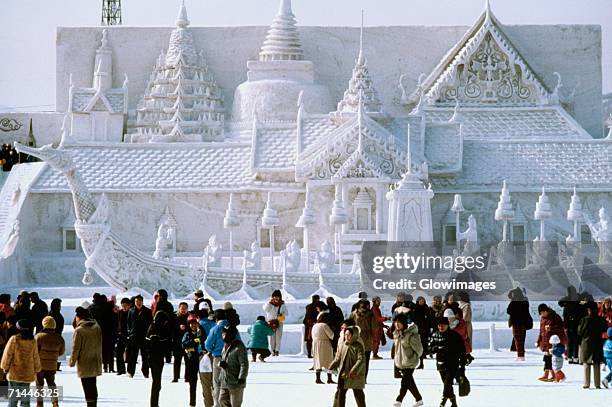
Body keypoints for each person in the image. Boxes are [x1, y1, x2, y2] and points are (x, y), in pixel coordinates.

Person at [1, 319, 41, 407]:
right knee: (25, 401)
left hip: (14, 373)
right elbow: (35, 356)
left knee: (13, 401)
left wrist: (5, 367)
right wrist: (37, 368)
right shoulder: (33, 341)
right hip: (27, 374)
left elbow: (7, 354)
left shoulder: (14, 339)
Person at [69, 307, 102, 407]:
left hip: (85, 362)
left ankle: (90, 404)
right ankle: (93, 404)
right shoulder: (97, 327)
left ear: (78, 317)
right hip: (95, 360)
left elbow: (76, 348)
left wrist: (72, 361)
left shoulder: (79, 330)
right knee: (93, 385)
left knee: (87, 386)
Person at [429, 317, 466, 407]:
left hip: (452, 363)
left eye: (443, 325)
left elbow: (462, 350)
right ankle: (454, 403)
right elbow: (429, 349)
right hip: (440, 363)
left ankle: (443, 401)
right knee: (447, 385)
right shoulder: (435, 335)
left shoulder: (454, 335)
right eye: (439, 325)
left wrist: (462, 365)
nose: (441, 327)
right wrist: (435, 349)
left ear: (447, 325)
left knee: (447, 383)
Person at [328, 326, 366, 407]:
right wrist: (332, 365)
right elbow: (338, 358)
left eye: (348, 335)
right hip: (344, 374)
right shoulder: (343, 345)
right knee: (341, 393)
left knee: (358, 394)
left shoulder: (358, 346)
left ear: (354, 335)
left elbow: (361, 360)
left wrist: (353, 371)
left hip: (355, 375)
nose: (346, 336)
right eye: (345, 334)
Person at [392, 312, 424, 407]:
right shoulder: (396, 334)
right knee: (410, 382)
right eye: (395, 322)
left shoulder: (411, 335)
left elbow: (419, 350)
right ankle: (419, 399)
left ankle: (399, 400)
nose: (397, 324)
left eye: (399, 322)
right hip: (401, 362)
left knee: (404, 382)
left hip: (410, 362)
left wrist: (413, 358)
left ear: (404, 323)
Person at [34, 316, 65, 407]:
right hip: (52, 365)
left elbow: (34, 351)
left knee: (39, 385)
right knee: (52, 384)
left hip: (40, 365)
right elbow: (61, 352)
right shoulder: (59, 338)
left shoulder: (39, 337)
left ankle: (39, 403)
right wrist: (53, 356)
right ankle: (55, 402)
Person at [577, 301, 607, 389]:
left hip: (586, 343)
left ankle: (587, 383)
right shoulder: (601, 319)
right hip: (597, 343)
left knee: (586, 363)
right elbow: (604, 329)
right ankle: (597, 384)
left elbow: (579, 332)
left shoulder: (584, 320)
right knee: (597, 363)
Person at [146, 310, 172, 407]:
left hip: (155, 358)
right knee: (156, 382)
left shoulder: (153, 327)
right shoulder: (156, 328)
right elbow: (157, 344)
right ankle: (154, 403)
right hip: (155, 358)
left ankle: (154, 403)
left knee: (156, 382)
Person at [219, 325, 249, 407]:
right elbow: (224, 359)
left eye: (226, 333)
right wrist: (221, 364)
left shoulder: (239, 347)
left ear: (231, 334)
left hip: (236, 382)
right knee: (222, 401)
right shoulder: (225, 345)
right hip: (225, 381)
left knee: (235, 404)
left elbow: (244, 364)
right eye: (223, 333)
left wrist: (241, 378)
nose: (223, 335)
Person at [535, 304, 566, 382]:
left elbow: (561, 327)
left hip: (553, 342)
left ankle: (554, 375)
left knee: (551, 359)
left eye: (543, 313)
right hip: (545, 341)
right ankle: (546, 374)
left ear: (546, 311)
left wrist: (551, 328)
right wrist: (538, 340)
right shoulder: (542, 318)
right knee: (546, 358)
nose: (542, 315)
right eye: (541, 313)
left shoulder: (555, 316)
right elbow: (541, 331)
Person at [182, 313, 208, 407]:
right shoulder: (187, 334)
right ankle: (192, 403)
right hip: (192, 360)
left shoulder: (201, 332)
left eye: (195, 323)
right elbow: (184, 345)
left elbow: (205, 342)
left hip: (202, 359)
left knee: (205, 382)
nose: (193, 325)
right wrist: (195, 340)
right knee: (193, 383)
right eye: (191, 324)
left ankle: (208, 402)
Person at [205, 309, 229, 407]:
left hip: (218, 357)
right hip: (231, 357)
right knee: (229, 380)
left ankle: (218, 403)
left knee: (217, 381)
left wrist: (211, 349)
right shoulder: (232, 328)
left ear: (216, 318)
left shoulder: (215, 328)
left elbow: (208, 344)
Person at [350, 300, 378, 380]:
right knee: (365, 360)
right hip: (367, 338)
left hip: (356, 337)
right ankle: (363, 378)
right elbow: (375, 326)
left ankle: (355, 376)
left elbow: (349, 324)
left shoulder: (354, 314)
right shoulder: (370, 314)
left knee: (356, 359)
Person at [126, 294, 153, 378]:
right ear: (134, 302)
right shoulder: (131, 311)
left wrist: (149, 334)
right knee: (133, 355)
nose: (138, 303)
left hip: (144, 336)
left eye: (140, 301)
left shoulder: (147, 311)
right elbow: (128, 322)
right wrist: (130, 332)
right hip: (134, 336)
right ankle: (130, 372)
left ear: (142, 302)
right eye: (136, 301)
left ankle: (145, 372)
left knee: (145, 356)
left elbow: (151, 324)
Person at [558, 286, 584, 364]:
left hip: (568, 324)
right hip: (575, 324)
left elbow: (560, 302)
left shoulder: (568, 299)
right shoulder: (577, 298)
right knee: (575, 341)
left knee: (570, 341)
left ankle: (570, 357)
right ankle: (575, 357)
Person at [506, 287, 532, 361]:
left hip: (516, 323)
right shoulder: (525, 301)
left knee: (517, 340)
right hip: (523, 323)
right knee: (522, 340)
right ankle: (521, 355)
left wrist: (511, 292)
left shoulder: (514, 302)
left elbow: (508, 311)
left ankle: (520, 356)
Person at [152, 289, 175, 364]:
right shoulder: (169, 304)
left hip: (159, 327)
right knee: (168, 342)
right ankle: (168, 357)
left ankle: (160, 356)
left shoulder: (158, 304)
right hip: (168, 326)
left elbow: (155, 315)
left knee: (160, 342)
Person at [312, 312, 335, 384]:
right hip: (324, 344)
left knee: (318, 361)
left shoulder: (315, 325)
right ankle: (329, 379)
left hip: (315, 344)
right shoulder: (324, 325)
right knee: (329, 361)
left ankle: (318, 378)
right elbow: (331, 335)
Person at [262, 290, 287, 357]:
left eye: (277, 297)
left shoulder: (282, 304)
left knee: (278, 337)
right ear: (272, 297)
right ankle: (272, 350)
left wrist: (281, 315)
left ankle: (277, 350)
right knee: (271, 336)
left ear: (280, 297)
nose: (276, 298)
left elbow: (286, 313)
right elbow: (265, 309)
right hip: (271, 322)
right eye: (274, 297)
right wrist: (269, 303)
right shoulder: (269, 304)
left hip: (279, 322)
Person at [413, 296, 432, 369]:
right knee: (418, 343)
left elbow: (429, 318)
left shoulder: (426, 308)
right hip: (418, 328)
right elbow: (415, 319)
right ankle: (419, 355)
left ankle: (424, 354)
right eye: (420, 301)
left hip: (426, 328)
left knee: (425, 342)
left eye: (423, 301)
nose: (422, 302)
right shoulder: (415, 308)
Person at [173, 302, 190, 382]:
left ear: (187, 309)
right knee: (177, 361)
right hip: (177, 343)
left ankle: (187, 377)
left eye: (185, 308)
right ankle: (175, 377)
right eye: (182, 308)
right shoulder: (175, 317)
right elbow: (171, 328)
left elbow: (193, 328)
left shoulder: (190, 318)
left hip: (188, 343)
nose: (183, 310)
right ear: (179, 308)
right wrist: (178, 327)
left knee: (188, 361)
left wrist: (186, 327)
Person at [457, 292, 473, 364]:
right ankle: (467, 356)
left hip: (465, 325)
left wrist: (457, 319)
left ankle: (467, 356)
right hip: (460, 325)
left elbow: (466, 317)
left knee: (465, 341)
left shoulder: (466, 305)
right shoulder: (459, 304)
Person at [115, 298, 131, 376]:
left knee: (130, 354)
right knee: (119, 352)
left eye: (125, 306)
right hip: (121, 335)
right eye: (122, 306)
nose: (124, 307)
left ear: (129, 306)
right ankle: (120, 369)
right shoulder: (120, 313)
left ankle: (130, 370)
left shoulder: (131, 312)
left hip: (130, 335)